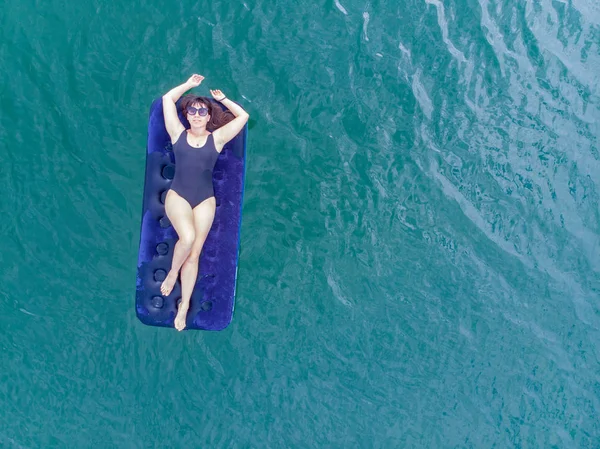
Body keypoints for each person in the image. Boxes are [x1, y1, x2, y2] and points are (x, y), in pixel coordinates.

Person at [159, 74, 249, 331]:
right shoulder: (177, 133)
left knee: (195, 252)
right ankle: (172, 272)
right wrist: (188, 85)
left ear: (209, 117)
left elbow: (243, 118)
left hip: (204, 200)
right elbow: (168, 99)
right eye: (192, 110)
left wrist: (222, 100)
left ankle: (184, 305)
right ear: (186, 115)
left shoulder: (216, 139)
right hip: (178, 195)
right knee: (186, 239)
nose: (197, 114)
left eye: (202, 111)